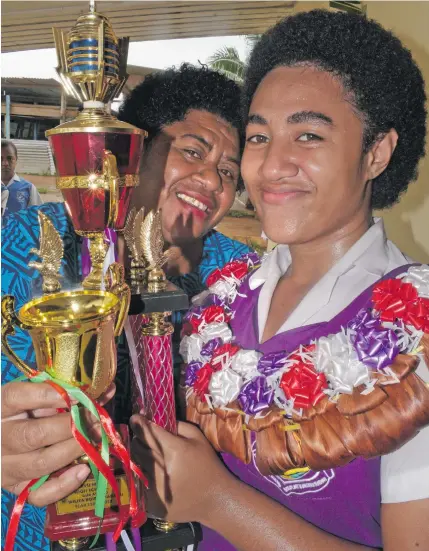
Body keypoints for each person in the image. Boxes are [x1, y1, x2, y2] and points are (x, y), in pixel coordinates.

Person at [129, 10, 429, 551]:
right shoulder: (218, 301)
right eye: (260, 137)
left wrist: (219, 501)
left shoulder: (414, 333)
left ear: (377, 153)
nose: (271, 166)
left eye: (309, 135)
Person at [1, 64, 250, 551]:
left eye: (227, 171)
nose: (210, 180)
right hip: (34, 528)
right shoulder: (32, 240)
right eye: (192, 151)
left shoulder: (243, 279)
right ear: (134, 153)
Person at [1, 140, 42, 219]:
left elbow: (38, 217)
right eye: (0, 158)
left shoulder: (28, 188)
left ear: (16, 160)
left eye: (10, 158)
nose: (5, 163)